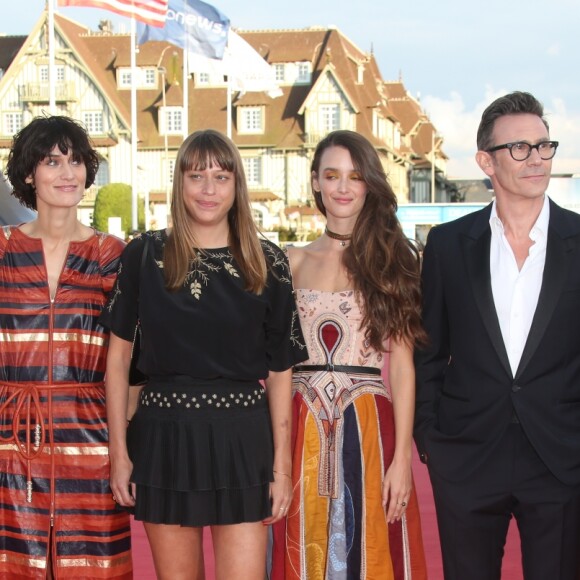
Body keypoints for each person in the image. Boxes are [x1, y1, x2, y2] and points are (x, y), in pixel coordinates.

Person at [100, 129, 307, 580]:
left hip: (243, 440)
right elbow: (116, 363)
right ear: (179, 183)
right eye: (196, 176)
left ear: (237, 186)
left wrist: (282, 467)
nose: (209, 189)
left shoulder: (267, 262)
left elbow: (280, 370)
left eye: (221, 176)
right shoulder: (144, 255)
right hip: (164, 439)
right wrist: (119, 452)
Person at [414, 91, 580, 580]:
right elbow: (428, 349)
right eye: (520, 148)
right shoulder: (447, 246)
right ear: (486, 161)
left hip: (560, 459)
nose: (537, 159)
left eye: (544, 146)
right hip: (467, 457)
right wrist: (432, 437)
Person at [270, 130, 428, 579]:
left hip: (371, 427)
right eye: (332, 175)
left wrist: (402, 461)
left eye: (354, 176)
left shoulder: (394, 259)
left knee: (372, 549)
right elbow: (277, 365)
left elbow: (401, 364)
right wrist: (278, 457)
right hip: (301, 426)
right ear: (316, 182)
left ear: (368, 184)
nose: (342, 187)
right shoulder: (289, 260)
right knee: (301, 546)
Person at [0, 115, 131, 578]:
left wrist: (123, 447)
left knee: (91, 566)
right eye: (52, 161)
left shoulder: (113, 256)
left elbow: (132, 362)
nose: (67, 173)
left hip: (91, 438)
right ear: (29, 173)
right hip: (10, 441)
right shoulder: (1, 250)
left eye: (76, 162)